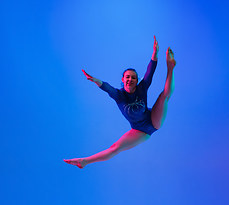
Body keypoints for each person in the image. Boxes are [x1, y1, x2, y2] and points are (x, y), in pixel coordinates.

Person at [64, 36, 176, 168]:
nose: (130, 79)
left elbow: (150, 72)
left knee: (164, 96)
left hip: (153, 119)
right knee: (115, 148)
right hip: (140, 131)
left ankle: (170, 66)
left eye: (133, 77)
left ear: (136, 80)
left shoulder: (142, 87)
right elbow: (107, 88)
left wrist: (154, 54)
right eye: (127, 77)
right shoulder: (119, 95)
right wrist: (96, 81)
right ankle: (84, 161)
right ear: (123, 80)